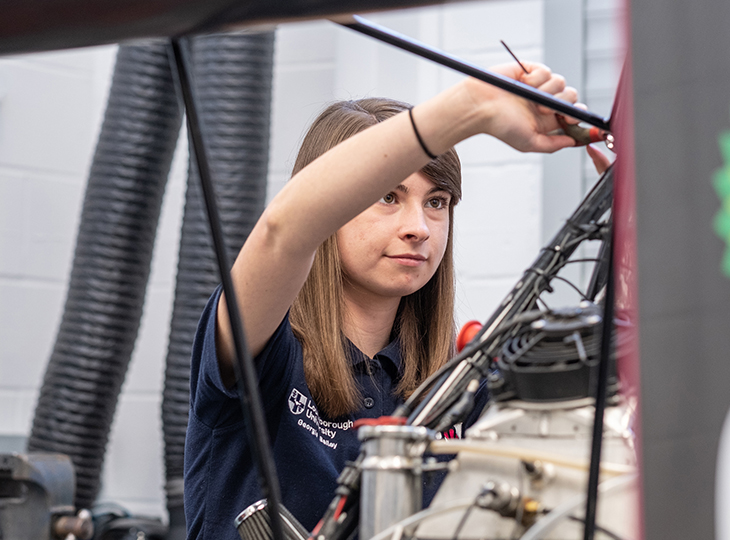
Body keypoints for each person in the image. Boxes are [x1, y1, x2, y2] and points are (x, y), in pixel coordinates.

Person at [183, 61, 582, 539]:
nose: (418, 227)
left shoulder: (458, 385)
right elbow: (282, 230)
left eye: (436, 202)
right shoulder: (266, 343)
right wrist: (472, 107)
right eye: (388, 197)